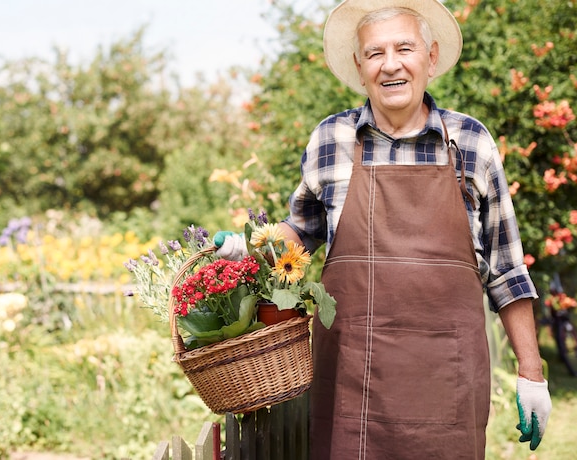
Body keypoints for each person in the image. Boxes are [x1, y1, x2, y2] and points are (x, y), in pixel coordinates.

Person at [216, 0, 551, 458]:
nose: (390, 64)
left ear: (430, 58)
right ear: (359, 67)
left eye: (404, 48)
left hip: (446, 381)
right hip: (353, 380)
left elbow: (507, 270)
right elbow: (302, 232)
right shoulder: (330, 141)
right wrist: (250, 247)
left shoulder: (471, 142)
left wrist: (531, 374)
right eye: (375, 53)